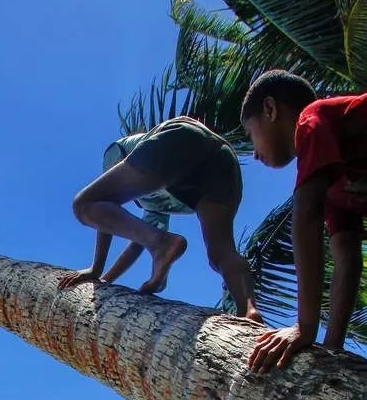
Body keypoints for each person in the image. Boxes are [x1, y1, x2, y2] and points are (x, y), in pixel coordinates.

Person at [58, 118, 262, 323]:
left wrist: (96, 269)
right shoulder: (154, 205)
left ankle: (159, 247)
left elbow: (104, 206)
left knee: (84, 205)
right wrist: (106, 280)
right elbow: (140, 242)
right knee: (222, 254)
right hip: (223, 160)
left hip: (183, 136)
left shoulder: (117, 150)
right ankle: (249, 311)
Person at [241, 70, 367, 372]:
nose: (255, 154)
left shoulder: (313, 118)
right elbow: (347, 258)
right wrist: (331, 348)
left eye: (249, 135)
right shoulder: (335, 186)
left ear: (270, 109)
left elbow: (306, 210)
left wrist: (305, 326)